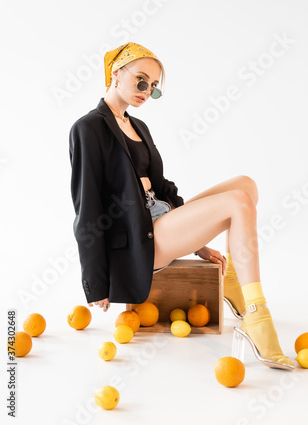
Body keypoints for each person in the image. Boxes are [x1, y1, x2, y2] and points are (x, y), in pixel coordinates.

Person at [69, 42, 295, 370]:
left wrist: (199, 243)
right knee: (238, 202)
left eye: (154, 87)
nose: (147, 91)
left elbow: (163, 189)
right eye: (141, 81)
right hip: (137, 241)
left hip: (162, 220)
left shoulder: (139, 126)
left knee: (246, 185)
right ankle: (257, 318)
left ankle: (231, 278)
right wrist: (95, 281)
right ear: (116, 73)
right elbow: (86, 206)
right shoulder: (88, 128)